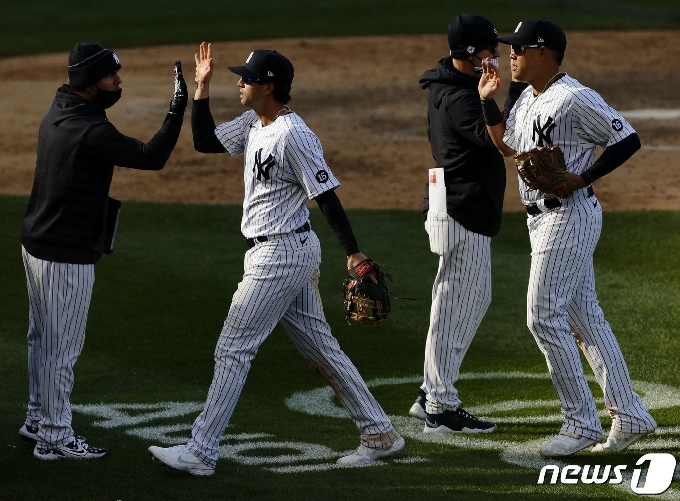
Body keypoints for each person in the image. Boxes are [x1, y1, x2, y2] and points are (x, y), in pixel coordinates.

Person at [147, 42, 404, 476]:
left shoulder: (294, 134)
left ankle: (201, 451)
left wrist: (354, 253)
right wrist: (202, 88)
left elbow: (325, 197)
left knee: (233, 348)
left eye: (245, 78)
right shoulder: (253, 122)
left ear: (268, 86)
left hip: (281, 254)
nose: (239, 82)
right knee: (320, 348)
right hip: (279, 253)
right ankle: (379, 432)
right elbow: (206, 141)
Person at [478, 18, 656, 457]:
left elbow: (626, 139)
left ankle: (580, 423)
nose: (511, 55)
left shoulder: (575, 98)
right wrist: (488, 102)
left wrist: (583, 177)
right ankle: (630, 414)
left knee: (542, 317)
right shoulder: (524, 98)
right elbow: (508, 146)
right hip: (542, 220)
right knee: (584, 320)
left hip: (568, 215)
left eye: (519, 48)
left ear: (544, 53)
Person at [20, 41, 187, 460]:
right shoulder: (92, 130)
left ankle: (37, 418)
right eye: (110, 75)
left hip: (37, 244)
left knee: (41, 339)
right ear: (89, 82)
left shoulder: (61, 108)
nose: (118, 81)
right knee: (61, 349)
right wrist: (178, 106)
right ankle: (54, 438)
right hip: (65, 253)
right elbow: (151, 157)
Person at [407, 14, 513, 435]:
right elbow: (498, 140)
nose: (500, 54)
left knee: (457, 300)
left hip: (450, 201)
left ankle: (429, 394)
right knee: (458, 303)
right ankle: (440, 406)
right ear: (473, 55)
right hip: (461, 207)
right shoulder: (461, 99)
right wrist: (492, 98)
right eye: (493, 49)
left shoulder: (447, 84)